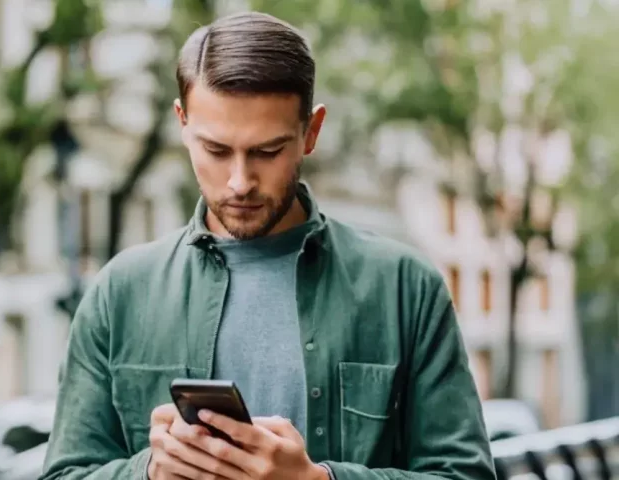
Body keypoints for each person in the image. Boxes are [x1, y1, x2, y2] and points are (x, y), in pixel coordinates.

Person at [40, 11, 496, 480]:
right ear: (182, 123)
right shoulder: (120, 292)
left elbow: (466, 475)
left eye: (267, 151)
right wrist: (151, 471)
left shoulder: (406, 288)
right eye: (216, 150)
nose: (240, 182)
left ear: (311, 132)